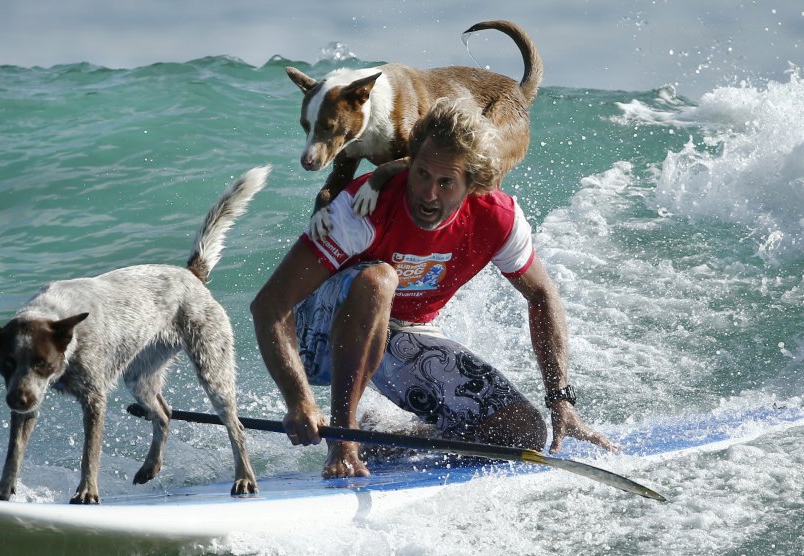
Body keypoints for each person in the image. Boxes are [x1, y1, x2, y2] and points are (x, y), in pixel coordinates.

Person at [251, 99, 619, 478]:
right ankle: (344, 438)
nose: (428, 194)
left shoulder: (498, 219)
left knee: (520, 433)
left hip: (403, 334)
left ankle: (381, 441)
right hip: (322, 337)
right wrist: (298, 401)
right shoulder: (363, 210)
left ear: (472, 184)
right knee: (379, 279)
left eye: (445, 183)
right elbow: (269, 305)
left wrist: (561, 401)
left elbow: (542, 296)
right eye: (422, 174)